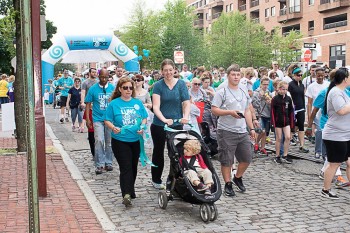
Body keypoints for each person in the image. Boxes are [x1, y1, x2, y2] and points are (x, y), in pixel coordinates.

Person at [211, 64, 256, 197]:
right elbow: (214, 109)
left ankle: (237, 177)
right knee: (227, 160)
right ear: (228, 76)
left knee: (247, 158)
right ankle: (228, 184)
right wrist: (229, 112)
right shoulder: (222, 91)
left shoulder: (243, 90)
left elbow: (247, 109)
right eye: (233, 75)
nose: (236, 77)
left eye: (238, 75)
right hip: (226, 130)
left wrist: (251, 127)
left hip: (242, 130)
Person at [105, 77, 148, 206]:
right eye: (125, 88)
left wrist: (142, 127)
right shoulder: (114, 104)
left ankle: (130, 189)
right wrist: (113, 127)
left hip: (135, 140)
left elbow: (144, 118)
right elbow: (107, 120)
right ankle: (126, 194)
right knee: (126, 167)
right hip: (120, 140)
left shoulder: (137, 103)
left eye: (130, 87)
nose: (128, 90)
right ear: (120, 89)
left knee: (133, 166)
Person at [151, 59, 190, 189]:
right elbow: (156, 106)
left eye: (170, 70)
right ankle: (156, 179)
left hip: (176, 124)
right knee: (158, 152)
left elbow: (186, 102)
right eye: (165, 70)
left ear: (174, 70)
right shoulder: (158, 85)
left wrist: (185, 116)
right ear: (162, 71)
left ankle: (174, 179)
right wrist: (164, 119)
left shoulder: (181, 84)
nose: (168, 72)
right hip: (160, 125)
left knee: (176, 153)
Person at [306, 69, 348, 187]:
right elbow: (314, 110)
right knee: (335, 157)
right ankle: (336, 177)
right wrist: (309, 126)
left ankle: (324, 172)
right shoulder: (326, 92)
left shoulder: (345, 91)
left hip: (343, 128)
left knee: (335, 157)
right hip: (327, 124)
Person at [321, 68, 350, 199]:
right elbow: (341, 111)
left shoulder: (342, 92)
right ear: (345, 78)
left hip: (345, 134)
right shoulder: (335, 92)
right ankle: (325, 190)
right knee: (334, 164)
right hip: (335, 135)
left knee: (349, 163)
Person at [85, 68, 115, 175]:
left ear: (109, 77)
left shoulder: (113, 88)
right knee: (99, 140)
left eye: (106, 77)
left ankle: (108, 162)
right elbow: (88, 103)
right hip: (97, 119)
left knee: (109, 142)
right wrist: (88, 119)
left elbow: (117, 103)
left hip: (110, 119)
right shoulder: (93, 89)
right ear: (98, 77)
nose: (104, 79)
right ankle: (99, 164)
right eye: (102, 77)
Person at [305, 67, 329, 158]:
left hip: (324, 112)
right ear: (315, 75)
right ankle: (318, 150)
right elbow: (310, 102)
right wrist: (309, 116)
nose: (320, 77)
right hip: (315, 111)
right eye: (319, 75)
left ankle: (325, 151)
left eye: (322, 76)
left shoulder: (328, 84)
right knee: (319, 131)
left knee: (325, 132)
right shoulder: (312, 87)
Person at [271, 81, 294, 164]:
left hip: (286, 121)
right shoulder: (275, 99)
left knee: (288, 137)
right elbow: (272, 111)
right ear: (279, 89)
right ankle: (277, 156)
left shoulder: (288, 98)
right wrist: (273, 123)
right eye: (283, 89)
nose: (284, 91)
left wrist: (292, 124)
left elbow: (291, 111)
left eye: (286, 89)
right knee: (279, 138)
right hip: (278, 122)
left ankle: (285, 154)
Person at [288, 65, 309, 153]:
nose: (299, 76)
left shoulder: (302, 85)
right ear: (293, 75)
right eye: (298, 75)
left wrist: (304, 108)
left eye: (301, 75)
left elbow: (303, 96)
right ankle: (287, 141)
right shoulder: (290, 85)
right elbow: (288, 97)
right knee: (293, 126)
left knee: (301, 126)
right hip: (293, 108)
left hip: (301, 107)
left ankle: (302, 145)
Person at [251, 77, 272, 156]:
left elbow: (270, 106)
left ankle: (262, 147)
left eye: (267, 84)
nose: (265, 86)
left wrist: (269, 102)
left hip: (267, 114)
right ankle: (256, 143)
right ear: (261, 84)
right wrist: (260, 97)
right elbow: (254, 105)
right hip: (259, 114)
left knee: (265, 132)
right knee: (261, 131)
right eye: (264, 84)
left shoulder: (269, 92)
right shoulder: (256, 92)